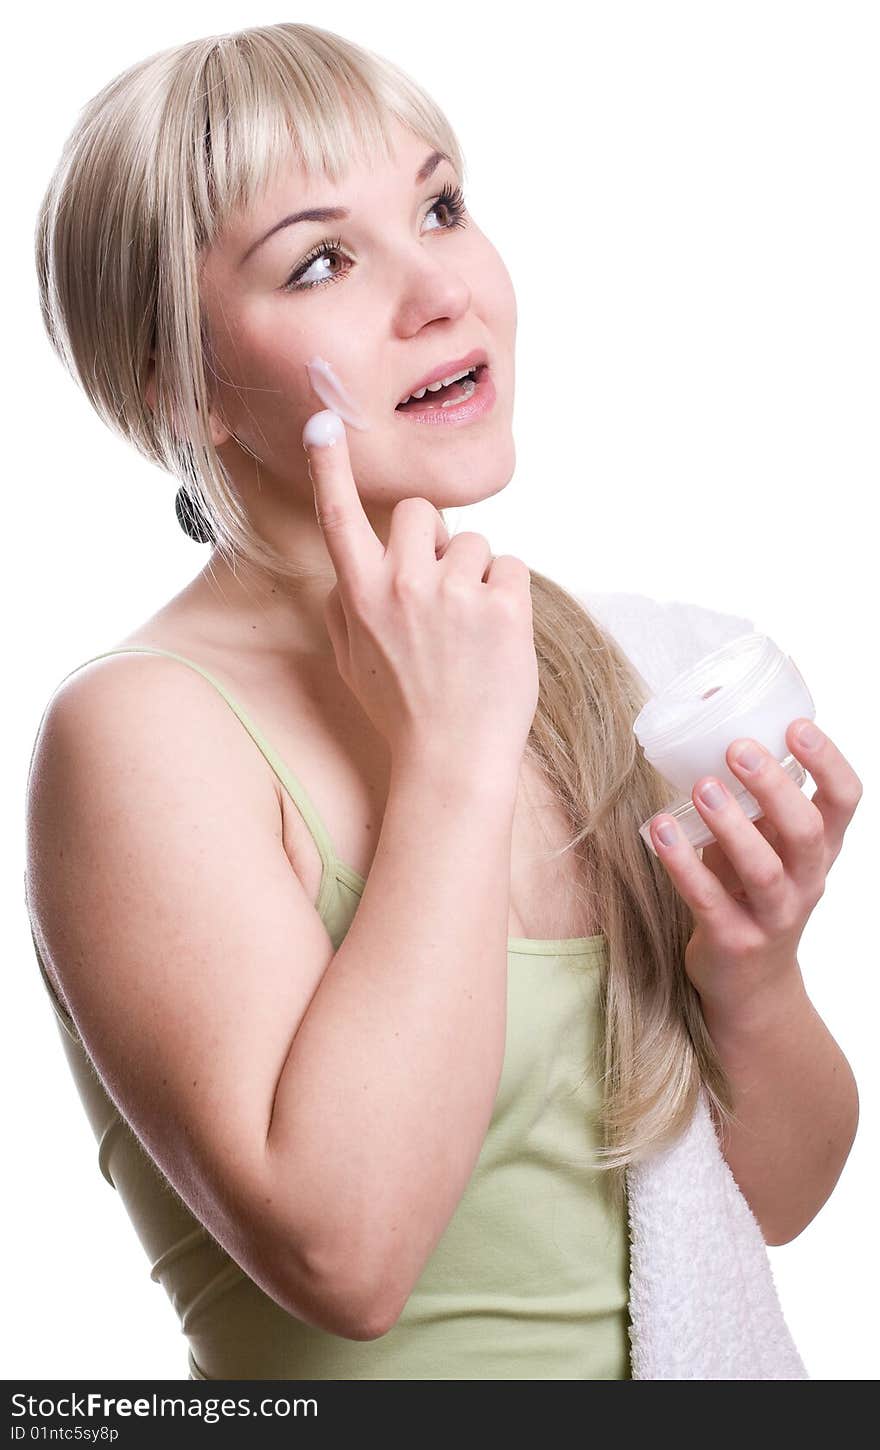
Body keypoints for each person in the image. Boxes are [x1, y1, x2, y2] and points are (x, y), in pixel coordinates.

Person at [24, 21, 861, 1381]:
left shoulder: (590, 660)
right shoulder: (141, 734)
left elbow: (768, 1204)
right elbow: (346, 1254)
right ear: (181, 385)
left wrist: (753, 973)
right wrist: (455, 760)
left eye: (441, 205)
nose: (440, 292)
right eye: (322, 259)